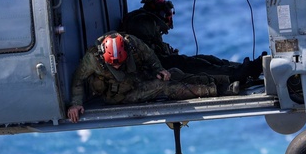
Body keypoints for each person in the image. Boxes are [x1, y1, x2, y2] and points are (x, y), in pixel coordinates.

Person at [66, 32, 236, 123]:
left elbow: (149, 56)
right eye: (113, 64)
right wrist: (75, 104)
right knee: (163, 87)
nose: (116, 66)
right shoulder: (93, 58)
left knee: (174, 72)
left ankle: (221, 79)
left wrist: (159, 69)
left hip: (136, 79)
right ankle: (218, 90)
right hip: (120, 96)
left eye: (120, 62)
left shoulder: (131, 43)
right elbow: (78, 79)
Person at [120, 0, 263, 86]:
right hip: (155, 70)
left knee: (206, 59)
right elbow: (147, 57)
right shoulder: (143, 23)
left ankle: (246, 68)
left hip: (160, 62)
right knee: (196, 66)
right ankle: (238, 74)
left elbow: (150, 49)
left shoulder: (144, 20)